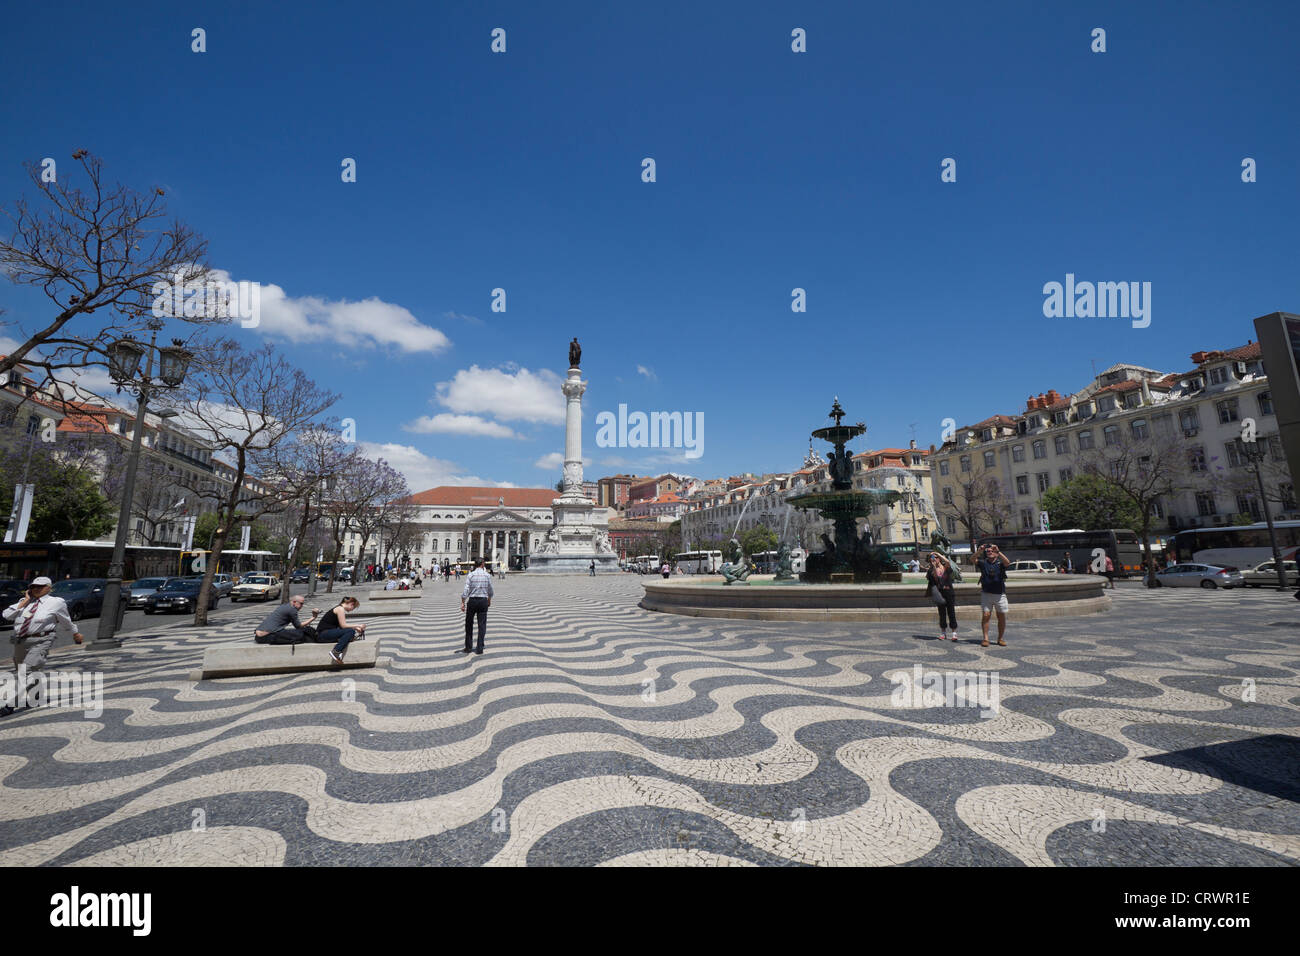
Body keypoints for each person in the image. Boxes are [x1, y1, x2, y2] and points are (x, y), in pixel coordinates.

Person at [1, 576, 85, 717]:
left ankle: (9, 705)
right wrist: (25, 601)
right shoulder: (24, 602)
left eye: (40, 586)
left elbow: (66, 620)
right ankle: (37, 696)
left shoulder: (56, 602)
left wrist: (75, 633)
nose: (36, 589)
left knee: (26, 672)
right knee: (25, 671)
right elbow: (7, 615)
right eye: (33, 586)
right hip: (20, 641)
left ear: (49, 588)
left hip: (42, 640)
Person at [974, 542, 1011, 648]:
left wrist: (998, 551)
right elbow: (972, 560)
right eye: (988, 551)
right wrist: (980, 551)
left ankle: (1000, 638)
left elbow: (1007, 562)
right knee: (986, 615)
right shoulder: (983, 562)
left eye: (992, 551)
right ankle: (985, 638)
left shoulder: (1000, 563)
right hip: (986, 593)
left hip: (999, 594)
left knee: (1001, 616)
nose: (989, 552)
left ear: (995, 553)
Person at [317, 596, 366, 664]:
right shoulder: (340, 609)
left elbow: (342, 627)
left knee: (350, 634)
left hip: (325, 633)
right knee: (350, 631)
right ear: (351, 604)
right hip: (322, 634)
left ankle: (339, 653)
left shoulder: (339, 608)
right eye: (353, 608)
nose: (352, 610)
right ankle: (336, 651)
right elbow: (343, 625)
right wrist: (358, 625)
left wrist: (355, 628)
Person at [254, 594, 319, 644]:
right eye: (301, 603)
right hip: (266, 636)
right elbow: (298, 626)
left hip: (259, 636)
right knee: (301, 634)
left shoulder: (286, 606)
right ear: (294, 602)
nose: (302, 606)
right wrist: (313, 617)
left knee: (298, 632)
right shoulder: (292, 610)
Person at [460, 558, 494, 655]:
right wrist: (489, 600)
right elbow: (490, 590)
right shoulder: (487, 575)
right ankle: (480, 648)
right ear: (482, 564)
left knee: (469, 624)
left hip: (472, 601)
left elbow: (466, 590)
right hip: (483, 601)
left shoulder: (470, 575)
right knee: (482, 625)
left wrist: (463, 602)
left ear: (475, 565)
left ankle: (468, 647)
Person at [925, 552, 958, 641]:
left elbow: (948, 562)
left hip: (949, 592)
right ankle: (943, 632)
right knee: (942, 613)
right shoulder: (930, 570)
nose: (934, 559)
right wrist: (934, 566)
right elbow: (936, 577)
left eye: (936, 557)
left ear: (939, 558)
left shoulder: (945, 567)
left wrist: (937, 553)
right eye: (932, 557)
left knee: (951, 612)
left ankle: (954, 633)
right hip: (940, 594)